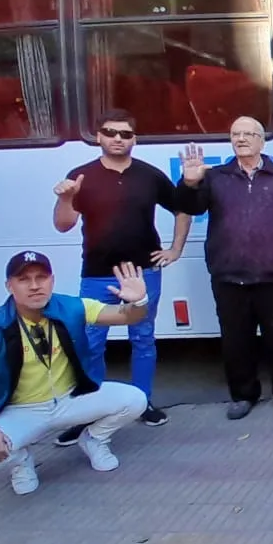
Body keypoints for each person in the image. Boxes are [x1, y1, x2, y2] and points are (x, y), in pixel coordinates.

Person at [0, 252, 150, 495]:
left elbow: (129, 316)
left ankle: (94, 439)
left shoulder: (72, 307)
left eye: (41, 277)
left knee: (136, 399)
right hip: (24, 410)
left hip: (71, 398)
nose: (34, 286)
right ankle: (21, 460)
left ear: (52, 281)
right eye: (24, 279)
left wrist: (139, 301)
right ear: (9, 286)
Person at [50, 109, 189, 442]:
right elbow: (63, 224)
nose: (117, 138)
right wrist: (66, 197)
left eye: (125, 134)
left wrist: (175, 249)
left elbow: (183, 208)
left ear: (134, 140)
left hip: (144, 274)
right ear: (98, 136)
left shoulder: (149, 176)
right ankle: (89, 411)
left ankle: (142, 403)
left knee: (142, 339)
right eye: (110, 132)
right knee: (92, 344)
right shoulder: (81, 176)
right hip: (97, 275)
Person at [174, 116, 273, 420]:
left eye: (248, 134)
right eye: (235, 134)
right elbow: (191, 207)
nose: (241, 139)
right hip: (229, 276)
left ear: (261, 140)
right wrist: (189, 183)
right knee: (236, 340)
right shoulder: (214, 177)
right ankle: (242, 395)